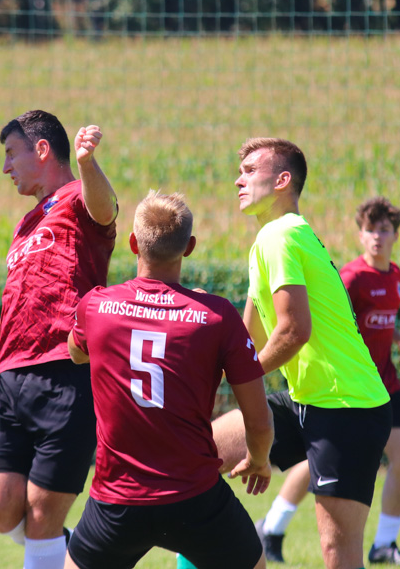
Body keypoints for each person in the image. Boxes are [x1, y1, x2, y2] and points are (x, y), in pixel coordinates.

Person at [202, 138, 393, 569]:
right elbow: (244, 337)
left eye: (251, 170)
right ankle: (242, 550)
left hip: (349, 406)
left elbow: (293, 331)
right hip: (303, 398)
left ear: (283, 180)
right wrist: (203, 367)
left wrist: (239, 382)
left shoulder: (281, 235)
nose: (239, 179)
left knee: (337, 554)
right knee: (198, 457)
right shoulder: (268, 240)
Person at [65, 191, 274, 569]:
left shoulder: (95, 307)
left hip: (116, 501)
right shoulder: (216, 317)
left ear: (133, 243)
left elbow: (75, 351)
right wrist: (259, 460)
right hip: (194, 497)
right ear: (189, 247)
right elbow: (258, 422)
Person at [0, 110, 118, 569]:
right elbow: (31, 305)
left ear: (42, 150)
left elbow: (106, 209)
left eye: (10, 154)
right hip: (11, 378)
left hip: (66, 373)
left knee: (43, 515)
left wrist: (86, 162)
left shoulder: (80, 200)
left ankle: (56, 552)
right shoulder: (26, 225)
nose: (5, 167)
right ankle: (75, 554)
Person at [253, 196, 400, 565]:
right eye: (370, 230)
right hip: (343, 389)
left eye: (385, 230)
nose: (377, 237)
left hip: (381, 384)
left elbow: (381, 320)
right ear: (360, 236)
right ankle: (272, 526)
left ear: (395, 236)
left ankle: (385, 544)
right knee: (315, 463)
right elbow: (330, 317)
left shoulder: (394, 275)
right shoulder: (352, 276)